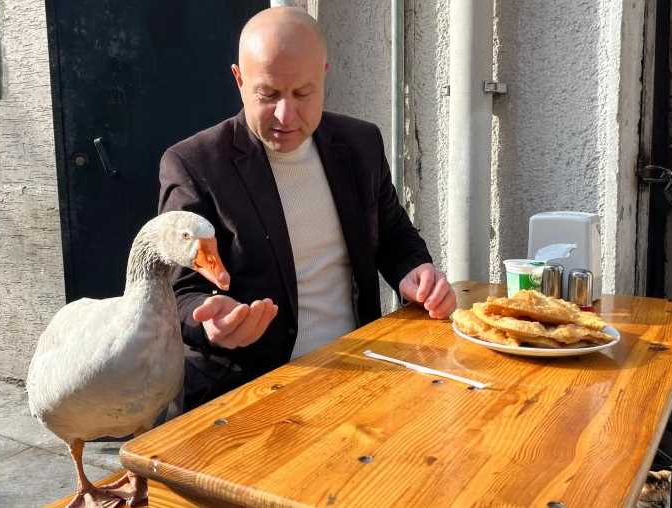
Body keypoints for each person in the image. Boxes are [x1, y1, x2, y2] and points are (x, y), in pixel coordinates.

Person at [158, 6, 456, 411]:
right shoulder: (195, 165)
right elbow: (175, 294)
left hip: (361, 374)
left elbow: (392, 234)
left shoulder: (360, 144)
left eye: (303, 93)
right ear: (239, 80)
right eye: (268, 95)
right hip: (248, 394)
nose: (286, 115)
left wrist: (415, 273)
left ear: (324, 76)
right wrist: (209, 321)